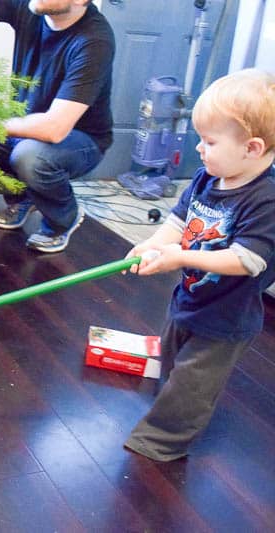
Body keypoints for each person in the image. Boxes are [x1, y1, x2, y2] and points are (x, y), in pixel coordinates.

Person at [124, 69, 275, 462]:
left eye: (209, 142)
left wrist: (180, 257)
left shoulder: (265, 201)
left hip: (227, 317)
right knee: (172, 363)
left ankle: (161, 441)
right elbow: (177, 222)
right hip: (189, 298)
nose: (199, 150)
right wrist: (152, 245)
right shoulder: (208, 179)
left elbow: (246, 260)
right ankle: (165, 410)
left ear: (253, 148)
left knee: (193, 383)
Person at [0, 0, 115, 253]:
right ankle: (21, 198)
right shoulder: (33, 5)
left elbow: (54, 128)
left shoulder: (94, 40)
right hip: (28, 129)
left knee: (30, 156)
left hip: (80, 140)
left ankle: (62, 221)